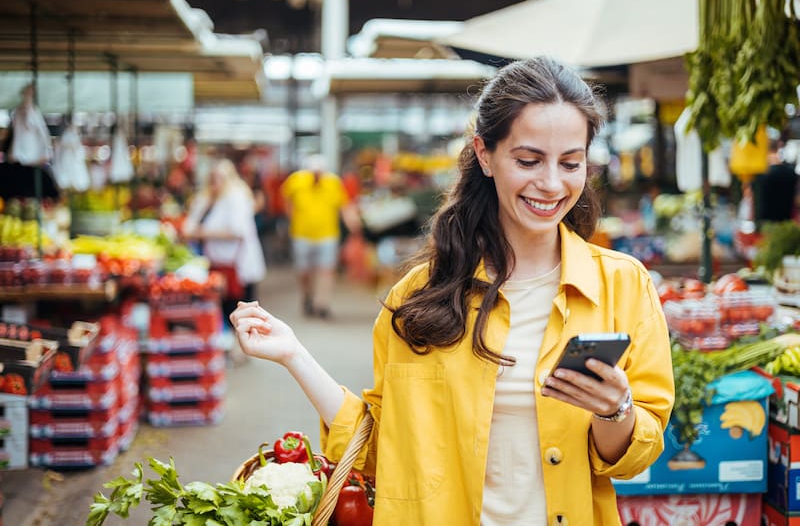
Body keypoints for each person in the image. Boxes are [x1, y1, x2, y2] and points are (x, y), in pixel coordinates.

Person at [230, 57, 675, 525]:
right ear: (485, 154)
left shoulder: (623, 286)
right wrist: (294, 356)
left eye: (571, 163)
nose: (551, 183)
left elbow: (633, 458)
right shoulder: (422, 294)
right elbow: (384, 450)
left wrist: (614, 410)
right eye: (528, 160)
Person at [183, 158, 266, 320]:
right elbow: (190, 225)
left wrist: (203, 233)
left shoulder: (236, 197)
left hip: (237, 265)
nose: (215, 182)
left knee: (240, 312)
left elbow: (238, 231)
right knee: (222, 311)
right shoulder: (205, 198)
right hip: (214, 264)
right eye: (213, 178)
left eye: (219, 178)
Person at [280, 154, 359, 319]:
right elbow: (287, 200)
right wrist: (291, 217)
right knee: (304, 271)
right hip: (302, 233)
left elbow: (343, 205)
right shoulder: (296, 181)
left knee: (326, 270)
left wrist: (352, 222)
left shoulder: (333, 183)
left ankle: (321, 304)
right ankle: (307, 296)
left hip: (327, 234)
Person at [754, 138, 798, 223]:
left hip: (765, 224)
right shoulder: (791, 172)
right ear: (778, 148)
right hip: (786, 223)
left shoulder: (760, 174)